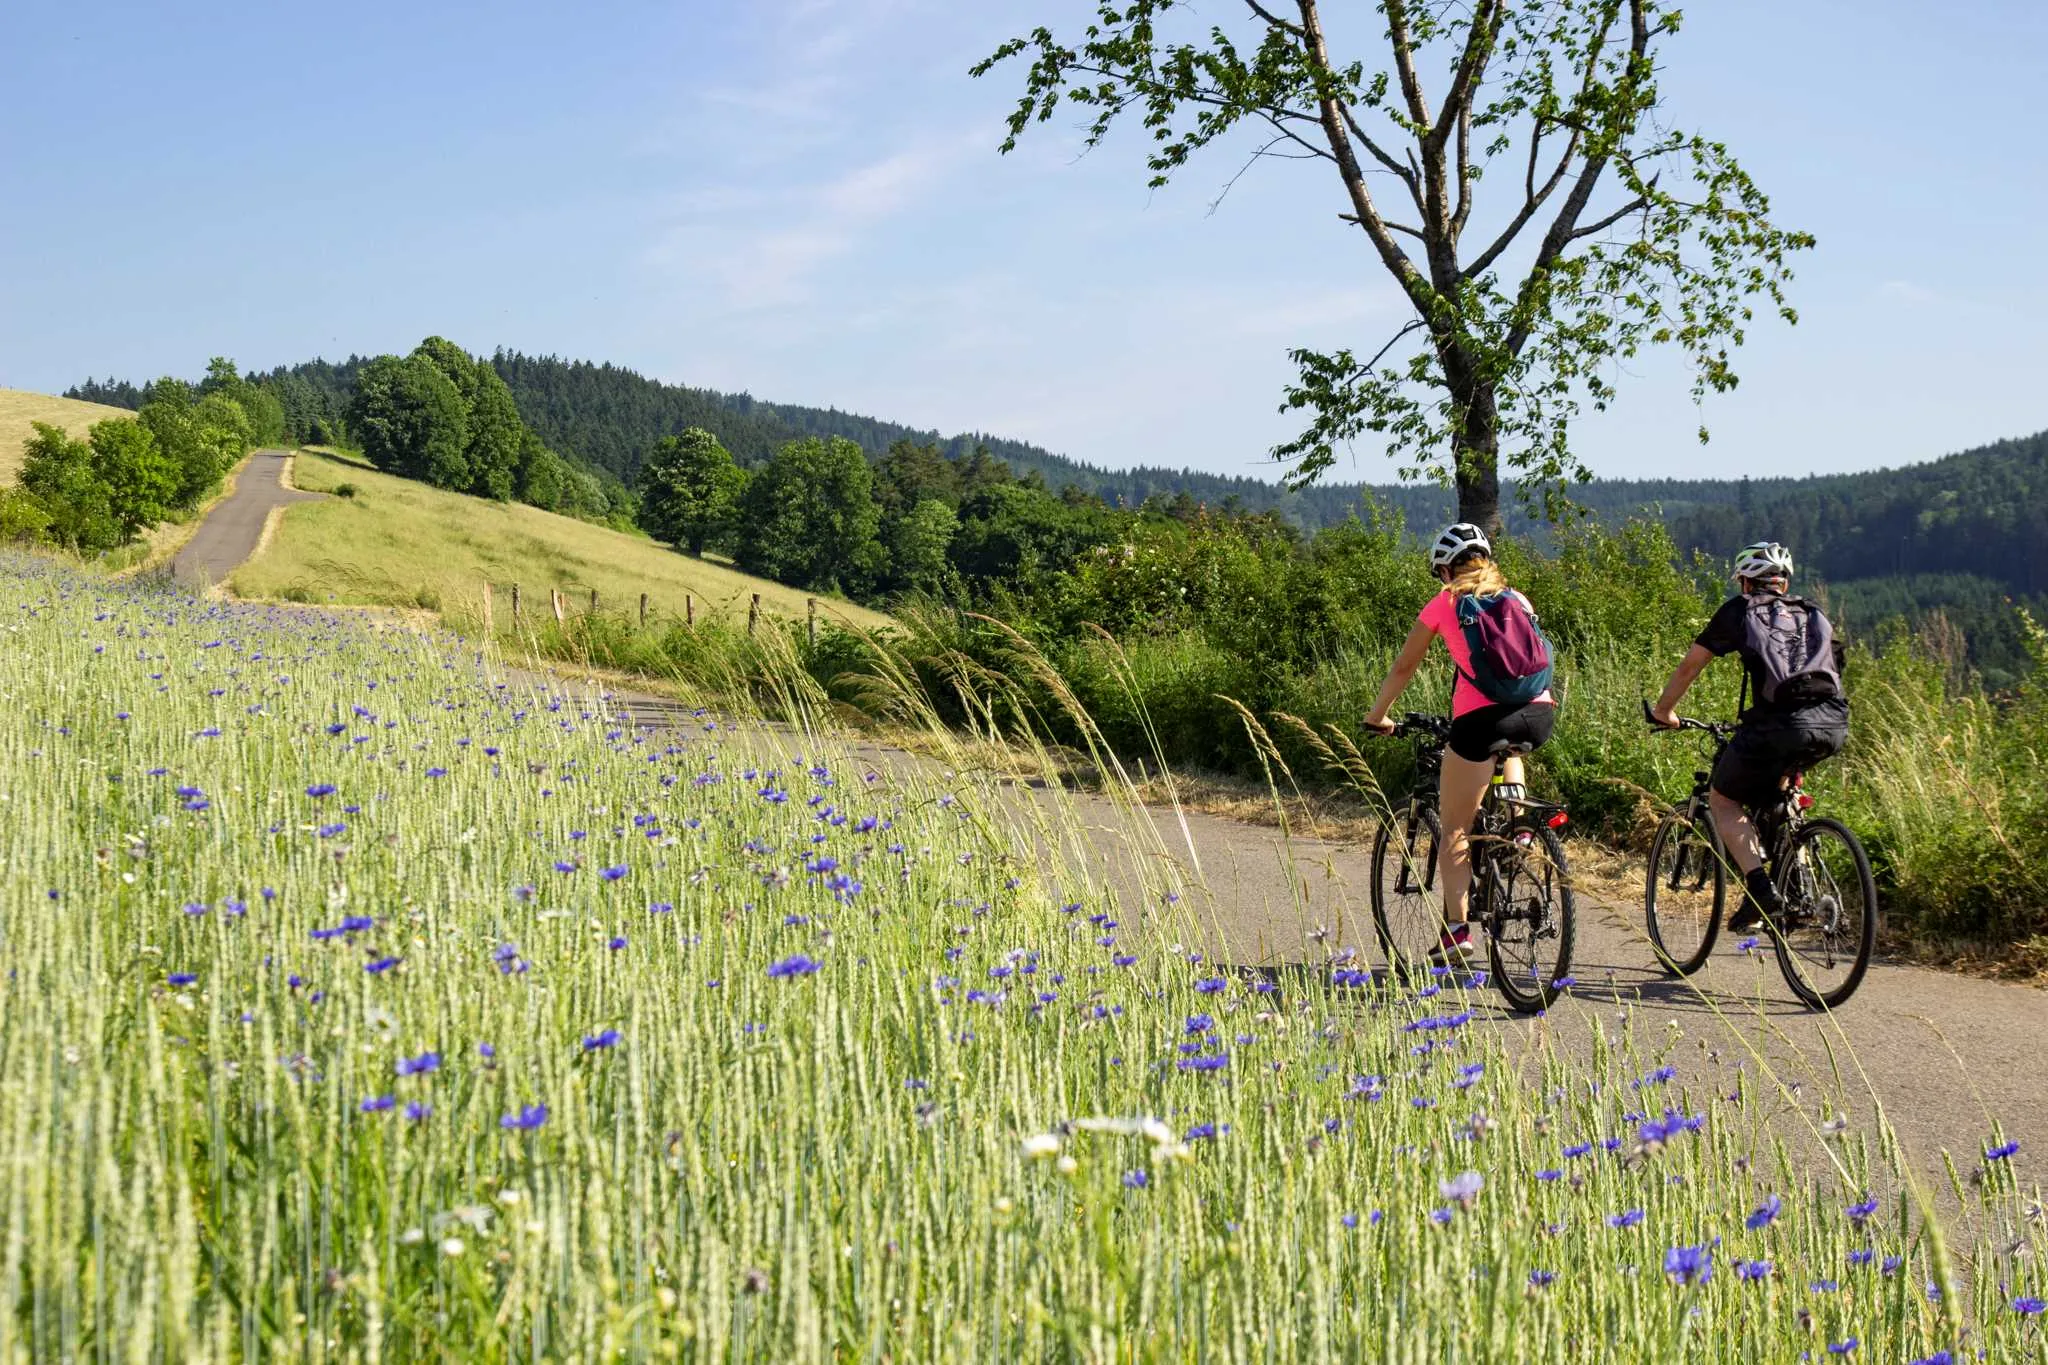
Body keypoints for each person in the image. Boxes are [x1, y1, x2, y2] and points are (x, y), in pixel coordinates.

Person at [1364, 523, 1557, 964]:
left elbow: (1404, 666)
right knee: (1510, 749)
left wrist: (1378, 716)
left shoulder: (1445, 602)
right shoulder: (1517, 598)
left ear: (1446, 570)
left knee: (1454, 826)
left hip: (1480, 720)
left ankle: (1456, 931)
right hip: (1538, 714)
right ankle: (1520, 826)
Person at [1649, 541, 1849, 931]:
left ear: (1745, 581)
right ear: (1783, 583)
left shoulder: (1740, 610)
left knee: (1723, 799)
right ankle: (1796, 884)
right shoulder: (1812, 612)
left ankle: (1760, 889)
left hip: (1778, 725)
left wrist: (1663, 711)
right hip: (1833, 723)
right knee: (1780, 794)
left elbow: (1690, 666)